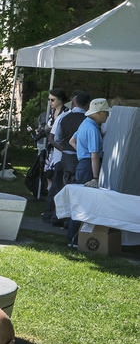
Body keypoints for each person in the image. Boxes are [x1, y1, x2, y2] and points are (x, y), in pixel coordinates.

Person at [66, 97, 110, 249]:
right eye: (105, 112)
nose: (107, 116)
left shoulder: (85, 123)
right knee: (84, 204)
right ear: (98, 113)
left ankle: (74, 238)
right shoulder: (92, 128)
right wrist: (96, 177)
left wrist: (81, 152)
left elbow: (72, 141)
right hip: (89, 166)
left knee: (81, 202)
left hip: (83, 164)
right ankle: (74, 239)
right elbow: (94, 156)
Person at [41, 87, 70, 223]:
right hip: (50, 149)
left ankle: (54, 208)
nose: (50, 102)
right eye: (49, 100)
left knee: (56, 178)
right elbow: (49, 128)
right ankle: (49, 205)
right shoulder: (52, 113)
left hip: (58, 149)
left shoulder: (66, 112)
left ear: (59, 100)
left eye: (52, 100)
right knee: (49, 176)